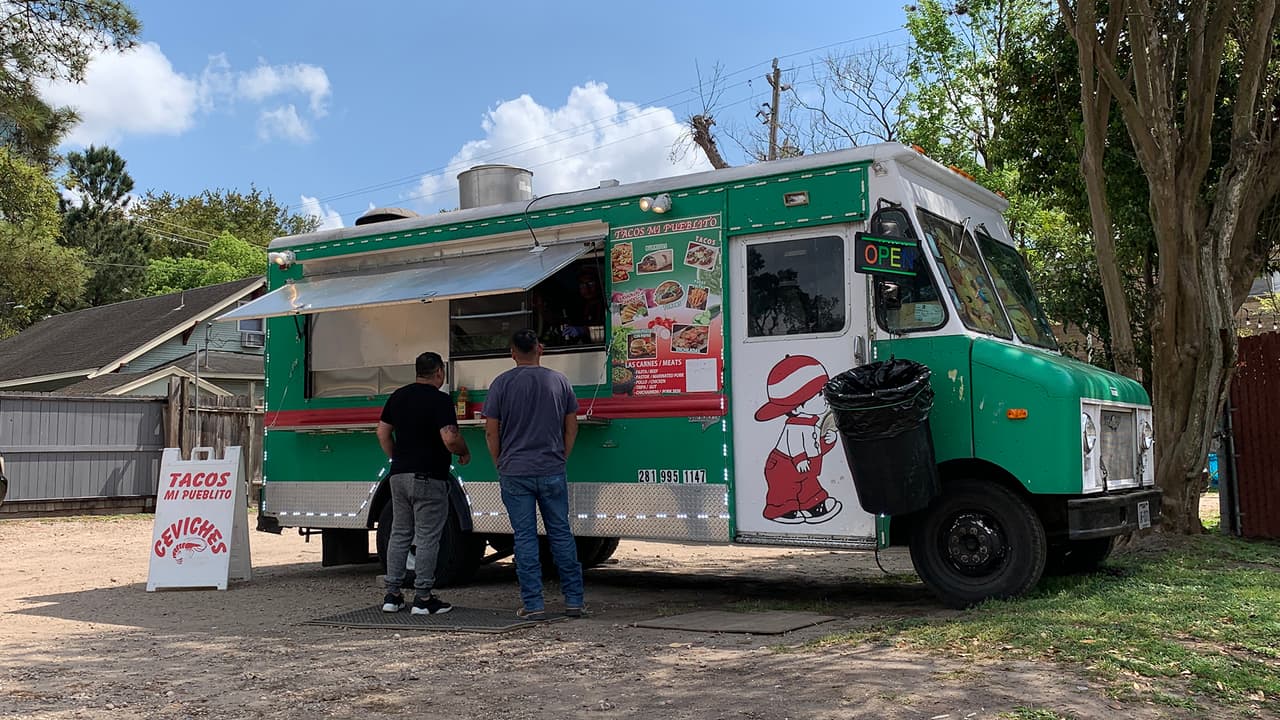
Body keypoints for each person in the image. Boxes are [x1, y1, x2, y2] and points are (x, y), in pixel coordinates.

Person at [482, 329, 585, 620]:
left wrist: (500, 461)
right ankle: (574, 601)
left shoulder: (501, 383)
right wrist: (562, 456)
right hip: (551, 468)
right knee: (561, 534)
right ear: (539, 349)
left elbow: (491, 430)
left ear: (512, 352)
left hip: (515, 471)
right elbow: (572, 426)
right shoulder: (559, 381)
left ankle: (534, 604)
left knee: (525, 538)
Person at [376, 351, 471, 615]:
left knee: (400, 533)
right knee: (428, 536)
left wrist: (397, 457)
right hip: (429, 477)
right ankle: (423, 598)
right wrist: (464, 451)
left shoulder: (398, 396)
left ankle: (392, 595)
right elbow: (450, 438)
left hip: (399, 476)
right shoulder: (440, 400)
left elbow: (382, 432)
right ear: (439, 372)